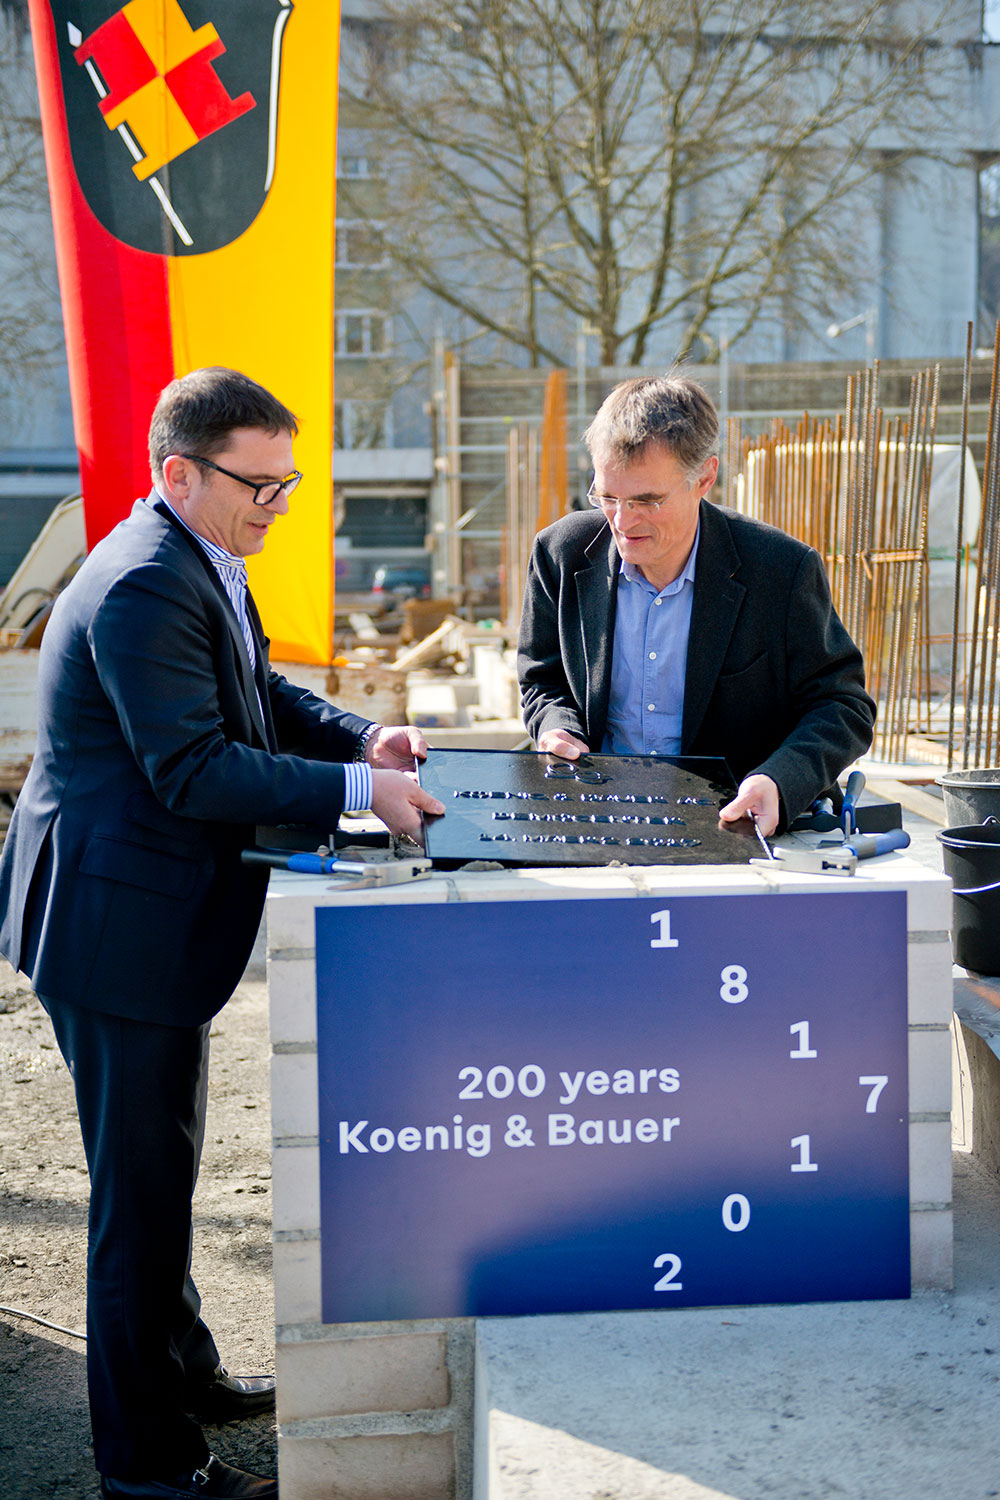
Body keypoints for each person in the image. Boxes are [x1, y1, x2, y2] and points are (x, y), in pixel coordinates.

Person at [0, 367, 444, 1500]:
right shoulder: (147, 581)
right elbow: (196, 766)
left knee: (161, 1167)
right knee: (139, 1199)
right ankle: (148, 1467)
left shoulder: (196, 552)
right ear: (180, 472)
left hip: (132, 909)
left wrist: (362, 737)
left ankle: (183, 1374)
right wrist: (360, 791)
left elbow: (259, 693)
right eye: (261, 485)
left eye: (288, 483)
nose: (278, 506)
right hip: (113, 924)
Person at [517, 373, 875, 835]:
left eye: (647, 500)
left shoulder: (780, 570)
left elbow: (842, 705)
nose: (622, 521)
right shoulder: (561, 555)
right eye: (607, 496)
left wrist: (780, 780)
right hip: (598, 816)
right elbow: (542, 678)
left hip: (733, 824)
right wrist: (557, 727)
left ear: (704, 477)